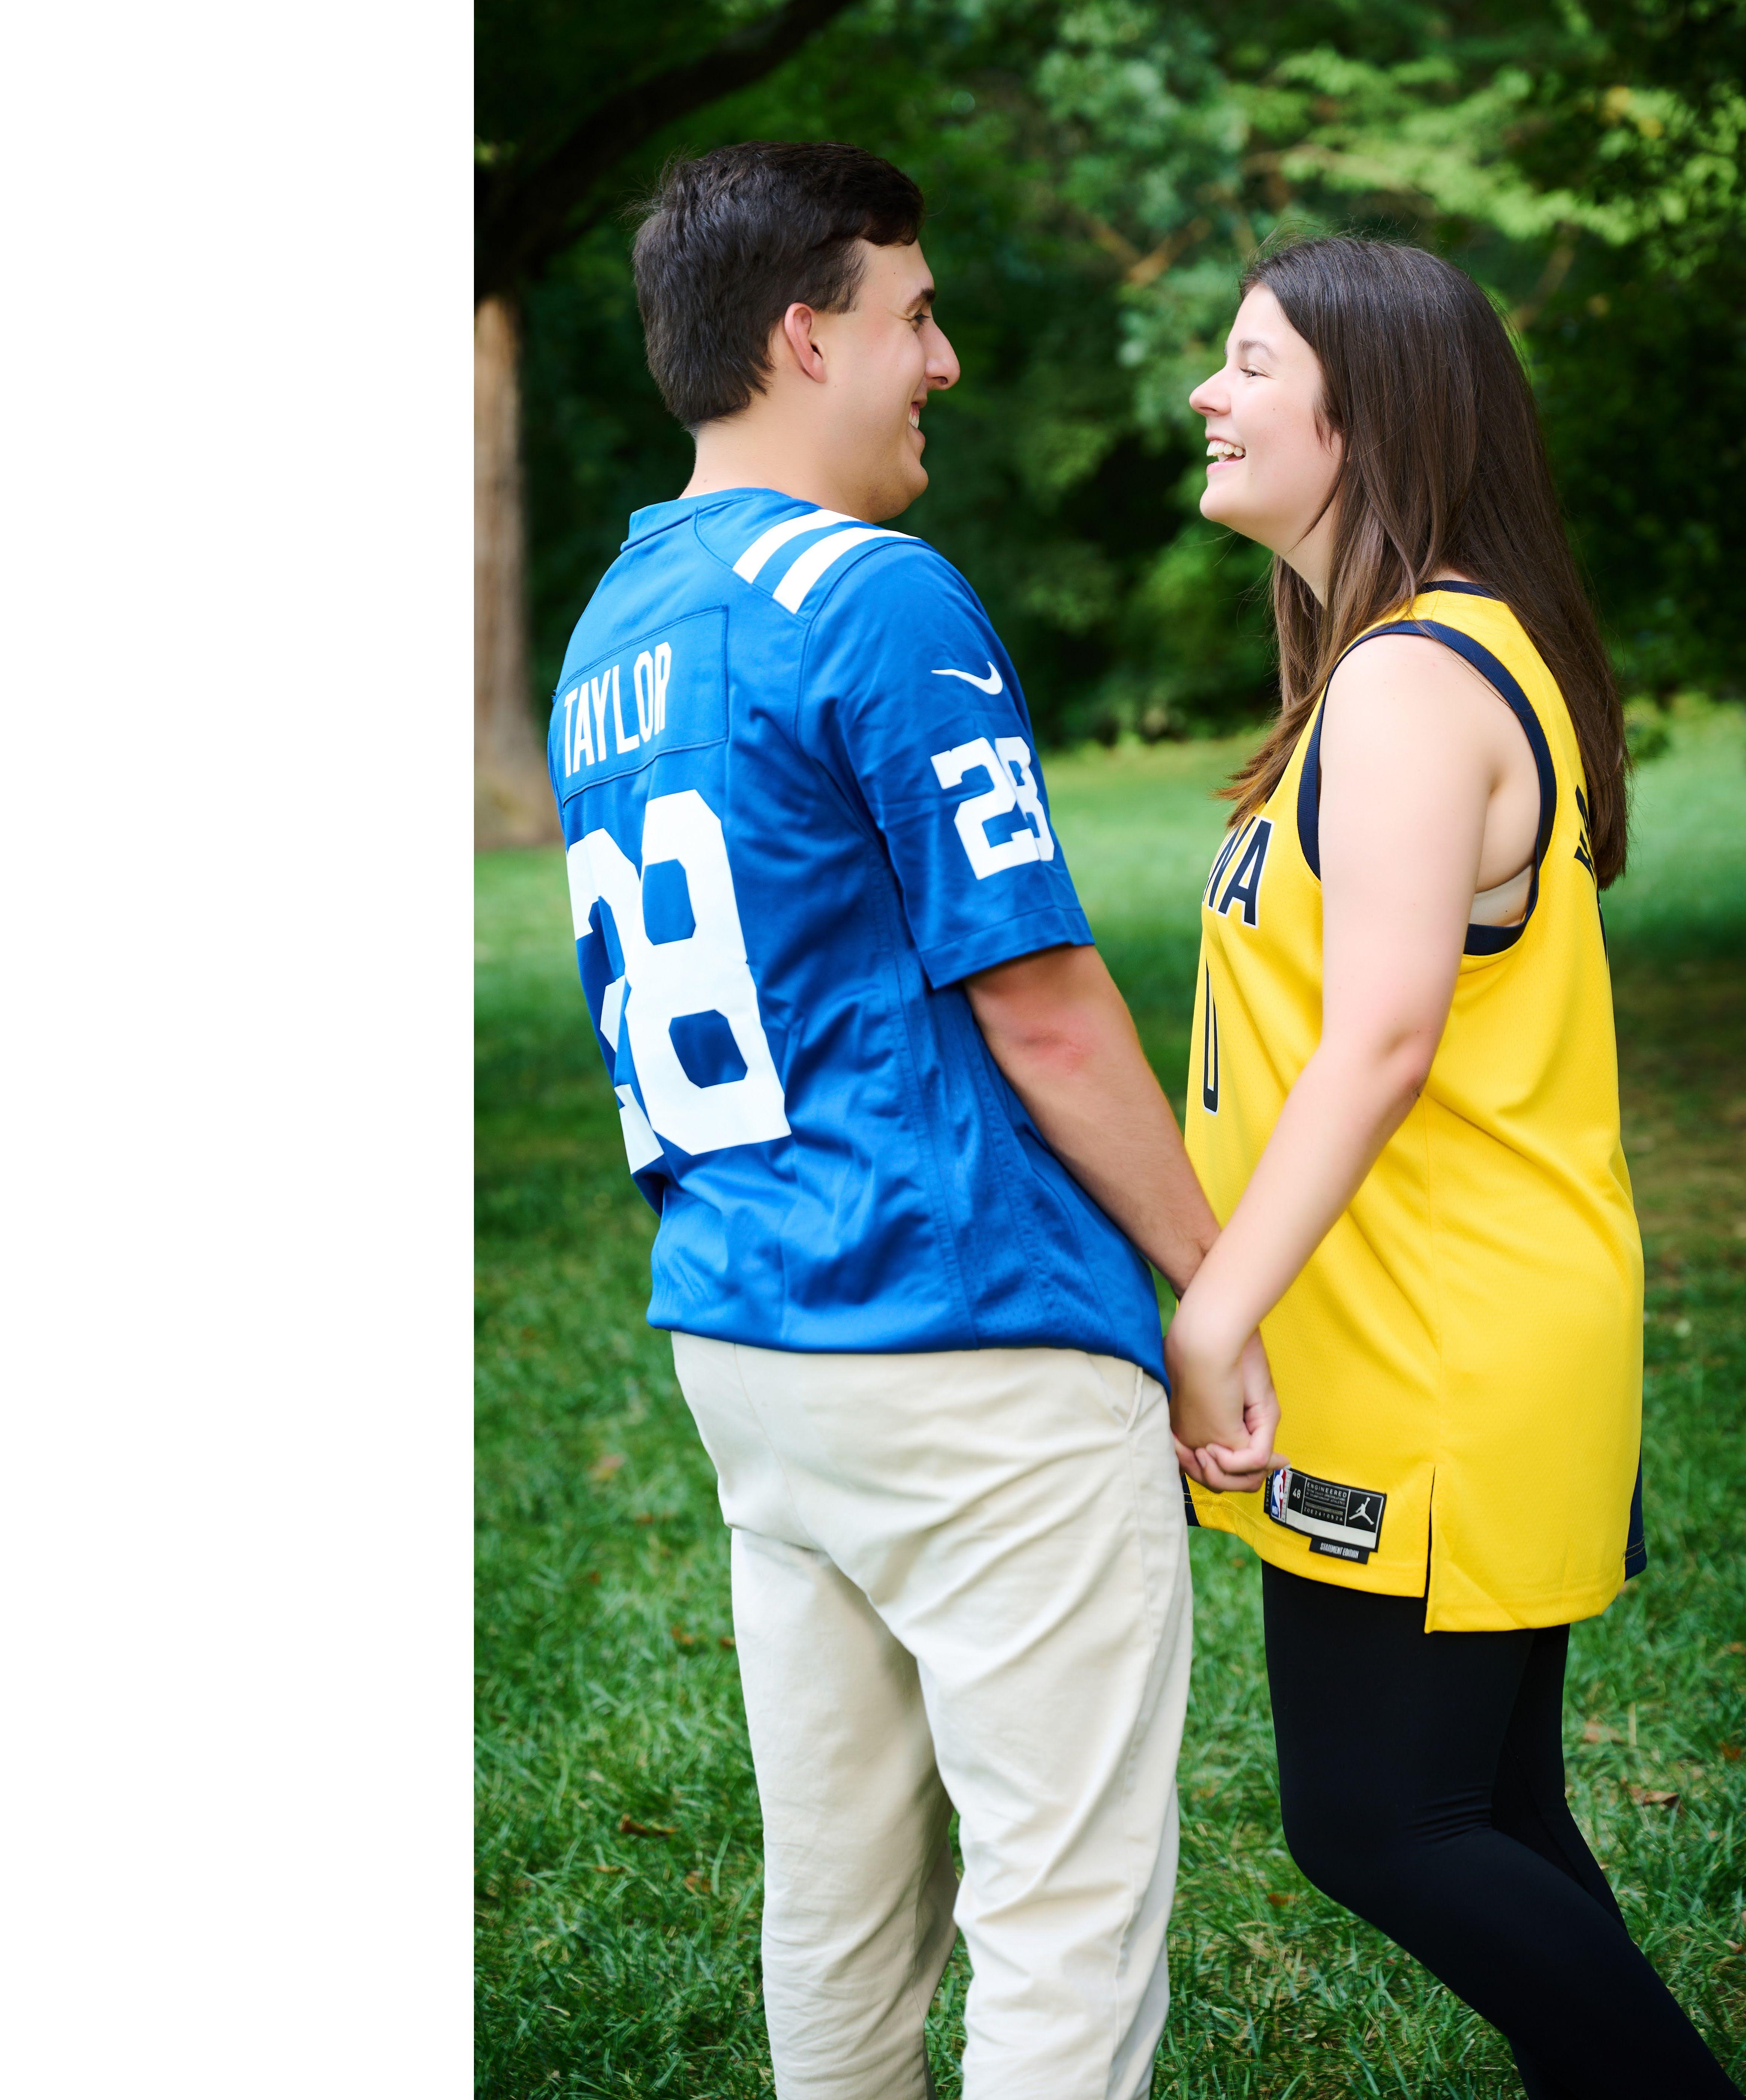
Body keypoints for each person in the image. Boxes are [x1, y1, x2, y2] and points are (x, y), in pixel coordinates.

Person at [544, 140, 1278, 2100]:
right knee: (1062, 1910)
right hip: (959, 1329)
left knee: (840, 1899)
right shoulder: (872, 594)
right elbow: (1039, 1005)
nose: (943, 361)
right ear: (809, 335)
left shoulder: (612, 629)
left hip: (748, 1334)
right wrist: (1215, 1291)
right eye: (917, 315)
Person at [1167, 236, 1742, 2098]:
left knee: (1382, 1826)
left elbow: (1385, 1038)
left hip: (1445, 1349)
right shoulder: (1420, 660)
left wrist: (1210, 1317)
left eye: (1253, 363)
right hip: (1441, 1327)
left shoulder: (1419, 677)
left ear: (1374, 414)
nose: (1209, 393)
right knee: (1486, 1806)